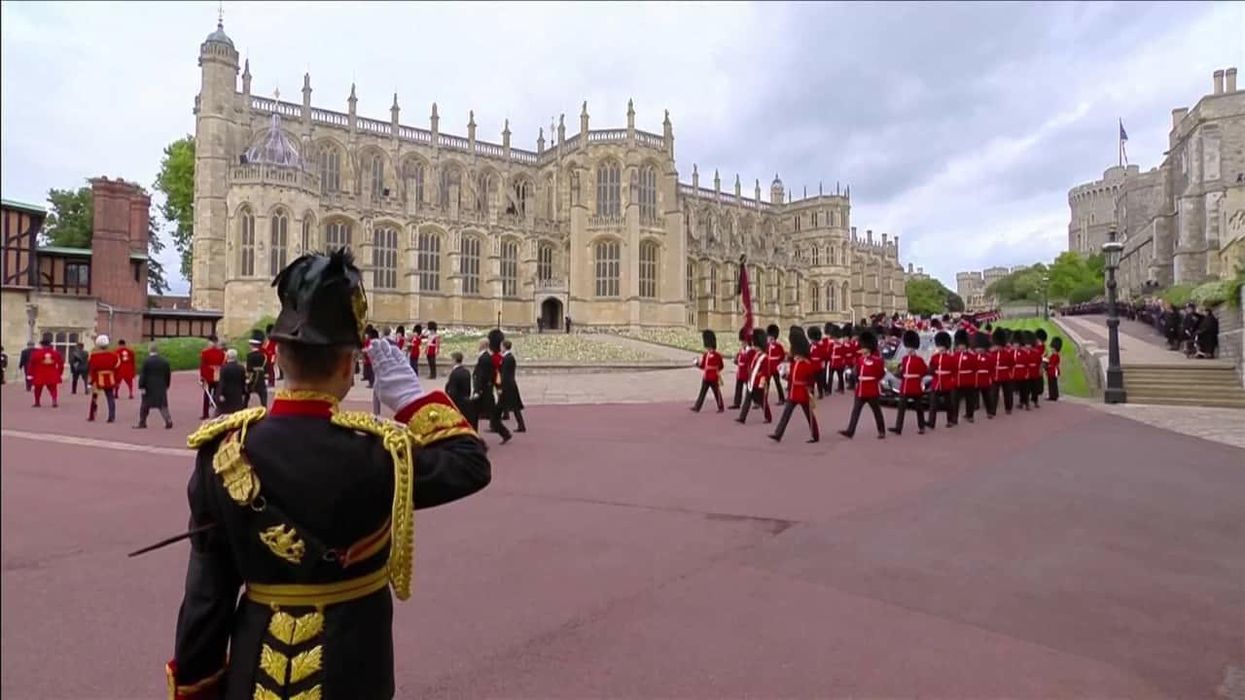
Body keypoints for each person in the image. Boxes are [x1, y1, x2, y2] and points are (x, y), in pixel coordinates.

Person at [164, 249, 490, 700]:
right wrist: (412, 399)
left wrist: (196, 688)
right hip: (353, 670)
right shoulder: (378, 451)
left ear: (276, 356)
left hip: (256, 670)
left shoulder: (224, 450)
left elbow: (207, 598)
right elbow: (469, 463)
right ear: (347, 364)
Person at [769, 326, 820, 443]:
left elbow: (811, 380)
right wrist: (784, 376)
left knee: (809, 416)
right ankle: (778, 434)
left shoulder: (807, 364)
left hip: (802, 393)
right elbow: (792, 378)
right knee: (786, 414)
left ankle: (815, 435)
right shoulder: (795, 363)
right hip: (793, 393)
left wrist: (810, 391)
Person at [839, 330, 885, 440]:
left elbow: (881, 373)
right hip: (861, 389)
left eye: (863, 347)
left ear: (868, 348)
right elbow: (857, 373)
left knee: (876, 411)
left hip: (872, 389)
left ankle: (881, 430)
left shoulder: (877, 361)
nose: (861, 349)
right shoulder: (859, 360)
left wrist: (873, 381)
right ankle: (850, 431)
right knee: (855, 411)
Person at [473, 331, 511, 443]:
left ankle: (505, 434)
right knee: (478, 415)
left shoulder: (484, 358)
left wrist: (477, 390)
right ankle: (504, 433)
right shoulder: (485, 357)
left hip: (484, 392)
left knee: (489, 417)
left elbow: (482, 376)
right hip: (485, 391)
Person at [890, 330, 927, 435]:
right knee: (901, 408)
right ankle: (898, 427)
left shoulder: (919, 360)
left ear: (914, 348)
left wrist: (916, 378)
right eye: (908, 347)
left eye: (910, 348)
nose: (909, 349)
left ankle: (922, 427)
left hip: (915, 386)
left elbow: (924, 371)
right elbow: (902, 372)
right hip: (905, 386)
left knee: (919, 408)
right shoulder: (905, 359)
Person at [736, 328, 773, 425]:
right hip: (752, 382)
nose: (754, 346)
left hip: (758, 383)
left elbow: (765, 372)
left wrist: (762, 382)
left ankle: (768, 416)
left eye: (755, 344)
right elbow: (748, 360)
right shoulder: (755, 354)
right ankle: (742, 418)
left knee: (762, 401)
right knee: (747, 400)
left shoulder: (765, 358)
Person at [135, 343, 173, 429]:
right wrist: (167, 385)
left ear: (149, 350)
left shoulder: (146, 361)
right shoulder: (164, 361)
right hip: (161, 385)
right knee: (163, 405)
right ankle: (168, 420)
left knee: (145, 405)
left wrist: (141, 386)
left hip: (149, 386)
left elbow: (143, 375)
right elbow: (168, 375)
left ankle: (142, 422)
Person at [926, 330, 958, 429]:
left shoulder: (950, 358)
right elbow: (931, 368)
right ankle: (931, 422)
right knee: (933, 404)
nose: (940, 349)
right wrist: (931, 370)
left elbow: (954, 371)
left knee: (949, 403)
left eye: (942, 347)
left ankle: (950, 420)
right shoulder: (934, 357)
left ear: (946, 347)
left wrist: (953, 381)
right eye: (939, 347)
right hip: (936, 382)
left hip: (947, 382)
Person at [691, 330, 726, 413]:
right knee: (702, 393)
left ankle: (721, 407)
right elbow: (703, 366)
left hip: (713, 377)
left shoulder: (718, 356)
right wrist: (697, 364)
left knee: (717, 393)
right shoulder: (705, 355)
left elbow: (721, 366)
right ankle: (697, 407)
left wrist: (715, 371)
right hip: (706, 377)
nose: (708, 348)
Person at [88, 334, 120, 422]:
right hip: (110, 378)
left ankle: (92, 415)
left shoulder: (94, 356)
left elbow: (92, 370)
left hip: (98, 378)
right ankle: (111, 416)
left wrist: (91, 381)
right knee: (110, 397)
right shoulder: (114, 356)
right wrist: (117, 380)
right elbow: (117, 369)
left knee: (94, 397)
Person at [29, 332, 65, 408]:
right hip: (52, 373)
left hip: (39, 374)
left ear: (42, 345)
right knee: (53, 389)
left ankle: (37, 402)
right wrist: (59, 373)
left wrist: (30, 374)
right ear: (49, 345)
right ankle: (54, 400)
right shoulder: (55, 353)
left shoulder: (36, 353)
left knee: (37, 389)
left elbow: (32, 364)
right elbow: (61, 364)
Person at [498, 339, 527, 432]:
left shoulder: (508, 358)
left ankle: (521, 426)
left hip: (508, 386)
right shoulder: (507, 357)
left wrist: (501, 386)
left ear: (504, 347)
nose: (500, 348)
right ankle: (497, 423)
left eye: (501, 346)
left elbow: (505, 374)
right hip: (510, 385)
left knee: (514, 407)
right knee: (504, 406)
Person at [199, 336, 226, 420]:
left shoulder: (205, 353)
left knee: (207, 395)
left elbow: (203, 366)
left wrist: (202, 377)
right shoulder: (222, 353)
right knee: (217, 394)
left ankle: (205, 413)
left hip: (208, 375)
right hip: (218, 375)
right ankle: (219, 411)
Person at [444, 351, 475, 427]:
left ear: (454, 360)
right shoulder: (466, 371)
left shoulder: (454, 373)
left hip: (457, 401)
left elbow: (452, 390)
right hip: (465, 400)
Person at [214, 349, 247, 416]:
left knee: (225, 411)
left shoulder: (224, 368)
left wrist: (220, 393)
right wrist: (243, 391)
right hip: (238, 391)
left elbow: (222, 382)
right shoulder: (241, 368)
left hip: (227, 393)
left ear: (227, 356)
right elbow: (243, 381)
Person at [954, 329, 977, 423]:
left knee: (970, 399)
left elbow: (975, 368)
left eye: (962, 345)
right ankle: (954, 418)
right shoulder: (954, 356)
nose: (961, 347)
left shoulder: (971, 356)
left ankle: (970, 415)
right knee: (955, 401)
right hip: (958, 380)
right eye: (960, 345)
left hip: (968, 379)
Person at [728, 330, 753, 410]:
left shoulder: (750, 351)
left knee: (751, 389)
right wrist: (735, 360)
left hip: (746, 372)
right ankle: (737, 403)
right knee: (738, 388)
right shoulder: (741, 350)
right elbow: (738, 360)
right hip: (740, 372)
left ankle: (758, 402)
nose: (742, 343)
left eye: (743, 342)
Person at [974, 331, 997, 419]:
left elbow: (992, 368)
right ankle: (973, 409)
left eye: (981, 348)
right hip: (976, 378)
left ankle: (990, 412)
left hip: (985, 379)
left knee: (987, 396)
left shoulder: (989, 357)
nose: (979, 350)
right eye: (977, 348)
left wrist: (991, 378)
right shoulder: (974, 357)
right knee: (974, 396)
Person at [245, 330, 269, 408]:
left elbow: (248, 368)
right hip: (261, 377)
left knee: (246, 393)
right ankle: (264, 407)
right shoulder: (264, 355)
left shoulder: (249, 355)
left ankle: (243, 407)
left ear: (252, 345)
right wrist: (266, 377)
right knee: (263, 394)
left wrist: (247, 378)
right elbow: (266, 367)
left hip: (252, 377)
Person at [765, 324, 786, 404]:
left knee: (778, 383)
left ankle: (781, 399)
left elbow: (782, 356)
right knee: (766, 384)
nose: (769, 339)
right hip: (768, 368)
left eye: (770, 338)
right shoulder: (766, 346)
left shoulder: (778, 346)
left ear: (773, 337)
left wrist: (778, 365)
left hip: (775, 368)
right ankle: (764, 399)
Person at [807, 325, 827, 399]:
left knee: (819, 382)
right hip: (811, 366)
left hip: (818, 366)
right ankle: (812, 394)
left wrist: (822, 363)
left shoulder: (820, 346)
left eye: (813, 339)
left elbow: (824, 355)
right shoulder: (809, 346)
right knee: (811, 382)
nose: (812, 340)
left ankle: (820, 393)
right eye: (812, 339)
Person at [1045, 337, 1063, 401]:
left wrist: (1047, 364)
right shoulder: (1053, 355)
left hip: (1053, 371)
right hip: (1051, 371)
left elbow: (1052, 364)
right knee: (1051, 383)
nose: (1051, 349)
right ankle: (1053, 395)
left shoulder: (1056, 356)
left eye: (1052, 348)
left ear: (1055, 348)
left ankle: (1053, 396)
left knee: (1053, 384)